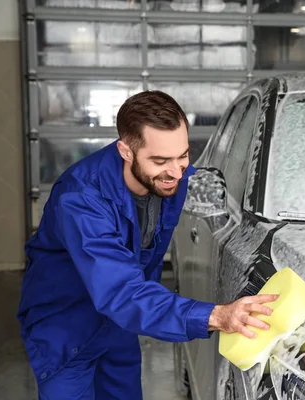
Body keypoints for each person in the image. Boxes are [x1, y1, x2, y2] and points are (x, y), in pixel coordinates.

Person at [17, 90, 278, 399]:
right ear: (126, 152)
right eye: (159, 160)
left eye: (183, 156)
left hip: (120, 325)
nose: (176, 171)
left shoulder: (172, 178)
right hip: (66, 328)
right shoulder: (81, 199)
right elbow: (120, 291)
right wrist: (216, 316)